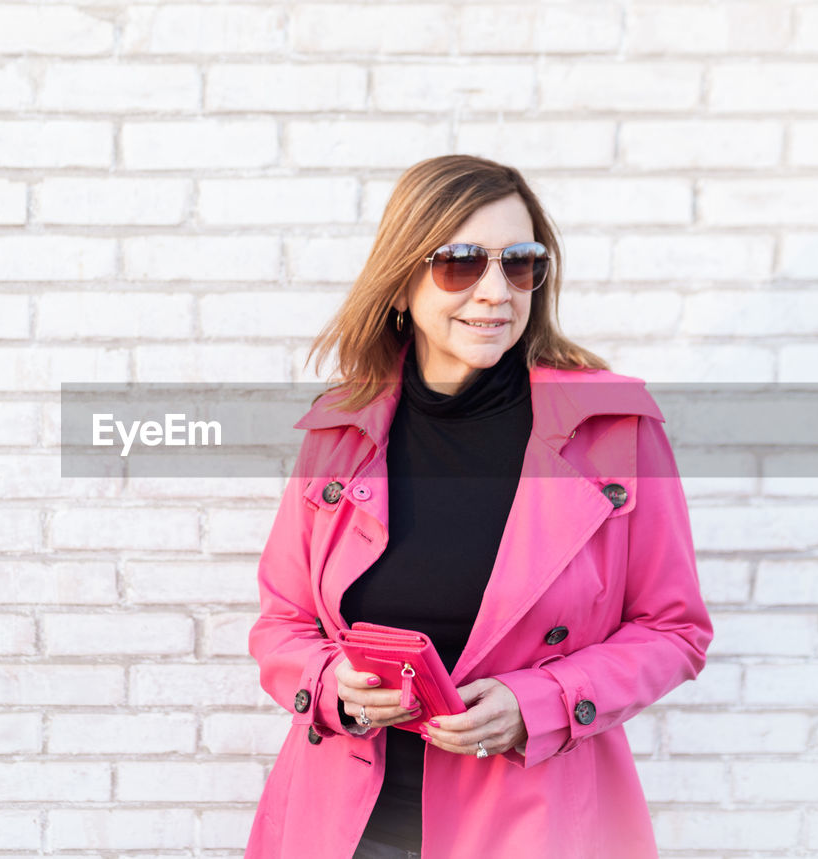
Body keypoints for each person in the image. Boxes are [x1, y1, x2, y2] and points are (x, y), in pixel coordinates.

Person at [244, 154, 714, 859]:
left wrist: (539, 704)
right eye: (460, 262)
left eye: (519, 262)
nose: (496, 291)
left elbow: (673, 629)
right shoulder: (341, 427)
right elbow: (283, 620)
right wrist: (330, 684)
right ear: (401, 281)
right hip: (343, 825)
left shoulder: (612, 430)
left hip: (531, 825)